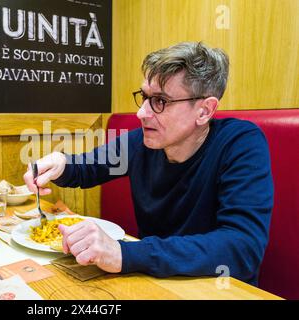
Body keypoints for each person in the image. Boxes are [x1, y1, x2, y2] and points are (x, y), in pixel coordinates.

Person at [23, 42, 273, 286]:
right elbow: (85, 167)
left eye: (160, 101)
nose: (142, 113)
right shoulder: (143, 141)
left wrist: (125, 254)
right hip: (152, 282)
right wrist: (60, 164)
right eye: (144, 97)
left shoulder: (240, 143)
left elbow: (243, 247)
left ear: (204, 111)